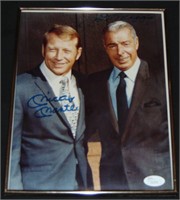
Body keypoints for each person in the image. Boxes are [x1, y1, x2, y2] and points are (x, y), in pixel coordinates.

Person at [86, 21, 173, 190]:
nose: (120, 52)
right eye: (112, 45)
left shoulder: (164, 79)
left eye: (125, 44)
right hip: (113, 182)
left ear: (137, 43)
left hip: (157, 180)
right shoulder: (95, 83)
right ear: (105, 47)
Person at [8, 24, 93, 190]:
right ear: (43, 50)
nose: (59, 57)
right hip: (39, 186)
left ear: (78, 54)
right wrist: (14, 193)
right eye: (53, 49)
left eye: (67, 51)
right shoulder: (20, 87)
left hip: (81, 183)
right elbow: (10, 151)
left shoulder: (86, 84)